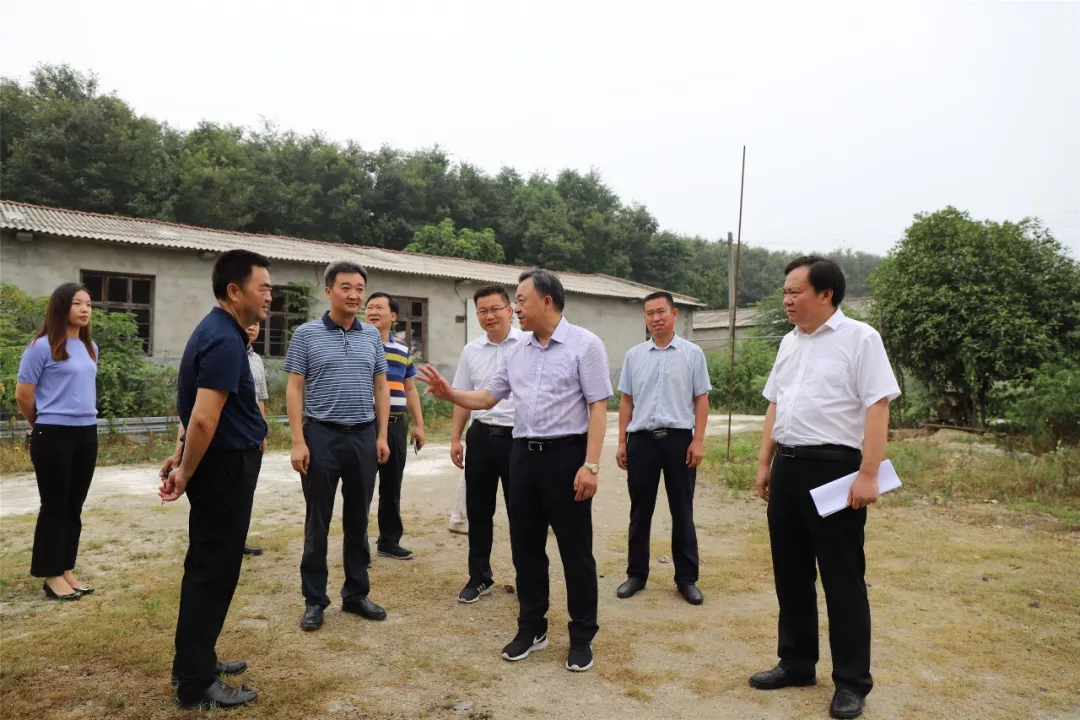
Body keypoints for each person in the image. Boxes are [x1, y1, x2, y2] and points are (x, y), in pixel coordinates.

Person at [419, 268, 611, 673]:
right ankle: (532, 627)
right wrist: (450, 393)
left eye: (521, 301)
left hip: (567, 457)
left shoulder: (585, 344)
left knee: (575, 551)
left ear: (547, 301)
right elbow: (488, 397)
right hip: (522, 456)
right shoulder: (518, 350)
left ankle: (581, 636)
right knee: (526, 547)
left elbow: (598, 407)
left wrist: (590, 465)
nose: (515, 309)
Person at [749, 256, 900, 720]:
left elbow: (877, 406)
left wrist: (869, 474)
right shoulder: (789, 342)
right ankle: (796, 662)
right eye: (785, 292)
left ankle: (852, 682)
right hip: (788, 466)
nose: (787, 299)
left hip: (836, 470)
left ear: (826, 294)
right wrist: (765, 462)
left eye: (795, 291)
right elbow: (775, 405)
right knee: (791, 572)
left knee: (841, 577)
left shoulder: (860, 338)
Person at [158, 250, 273, 710]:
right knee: (213, 572)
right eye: (263, 287)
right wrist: (185, 470)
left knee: (206, 567)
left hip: (222, 464)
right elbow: (204, 418)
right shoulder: (224, 339)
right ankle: (196, 683)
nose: (270, 296)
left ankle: (194, 659)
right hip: (224, 468)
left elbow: (192, 410)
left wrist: (182, 455)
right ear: (234, 291)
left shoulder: (216, 330)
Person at [286, 262, 390, 633]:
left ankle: (356, 593)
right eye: (346, 287)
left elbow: (381, 386)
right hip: (321, 436)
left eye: (360, 288)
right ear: (329, 291)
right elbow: (295, 388)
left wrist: (381, 435)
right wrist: (298, 440)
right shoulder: (306, 334)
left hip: (363, 436)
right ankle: (315, 600)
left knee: (358, 519)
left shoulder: (371, 336)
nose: (354, 295)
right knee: (318, 520)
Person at [614, 291, 710, 606]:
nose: (655, 318)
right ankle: (636, 575)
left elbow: (701, 398)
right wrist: (622, 441)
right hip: (641, 442)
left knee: (682, 510)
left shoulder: (692, 354)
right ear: (645, 318)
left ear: (674, 314)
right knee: (640, 511)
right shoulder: (634, 356)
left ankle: (686, 579)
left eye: (661, 312)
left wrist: (698, 439)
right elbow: (626, 400)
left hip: (679, 441)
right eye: (649, 313)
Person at [15, 282, 100, 602]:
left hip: (87, 432)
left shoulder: (91, 348)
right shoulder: (41, 347)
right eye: (77, 303)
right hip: (52, 433)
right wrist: (40, 425)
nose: (85, 309)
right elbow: (24, 395)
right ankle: (51, 575)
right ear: (61, 306)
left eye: (88, 304)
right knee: (55, 505)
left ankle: (65, 569)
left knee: (73, 506)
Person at [449, 284, 525, 603]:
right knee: (479, 510)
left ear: (509, 310)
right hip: (481, 436)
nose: (489, 315)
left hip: (517, 438)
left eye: (495, 309)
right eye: (482, 311)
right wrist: (456, 437)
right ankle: (479, 577)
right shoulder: (471, 350)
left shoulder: (528, 345)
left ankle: (527, 577)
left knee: (522, 511)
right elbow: (462, 396)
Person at [364, 292, 425, 561]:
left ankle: (389, 541)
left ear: (393, 316)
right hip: (366, 425)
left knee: (392, 485)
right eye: (369, 307)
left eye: (379, 307)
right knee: (362, 486)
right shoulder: (357, 342)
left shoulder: (401, 348)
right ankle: (357, 548)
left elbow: (409, 388)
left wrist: (419, 424)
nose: (373, 312)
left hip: (397, 425)